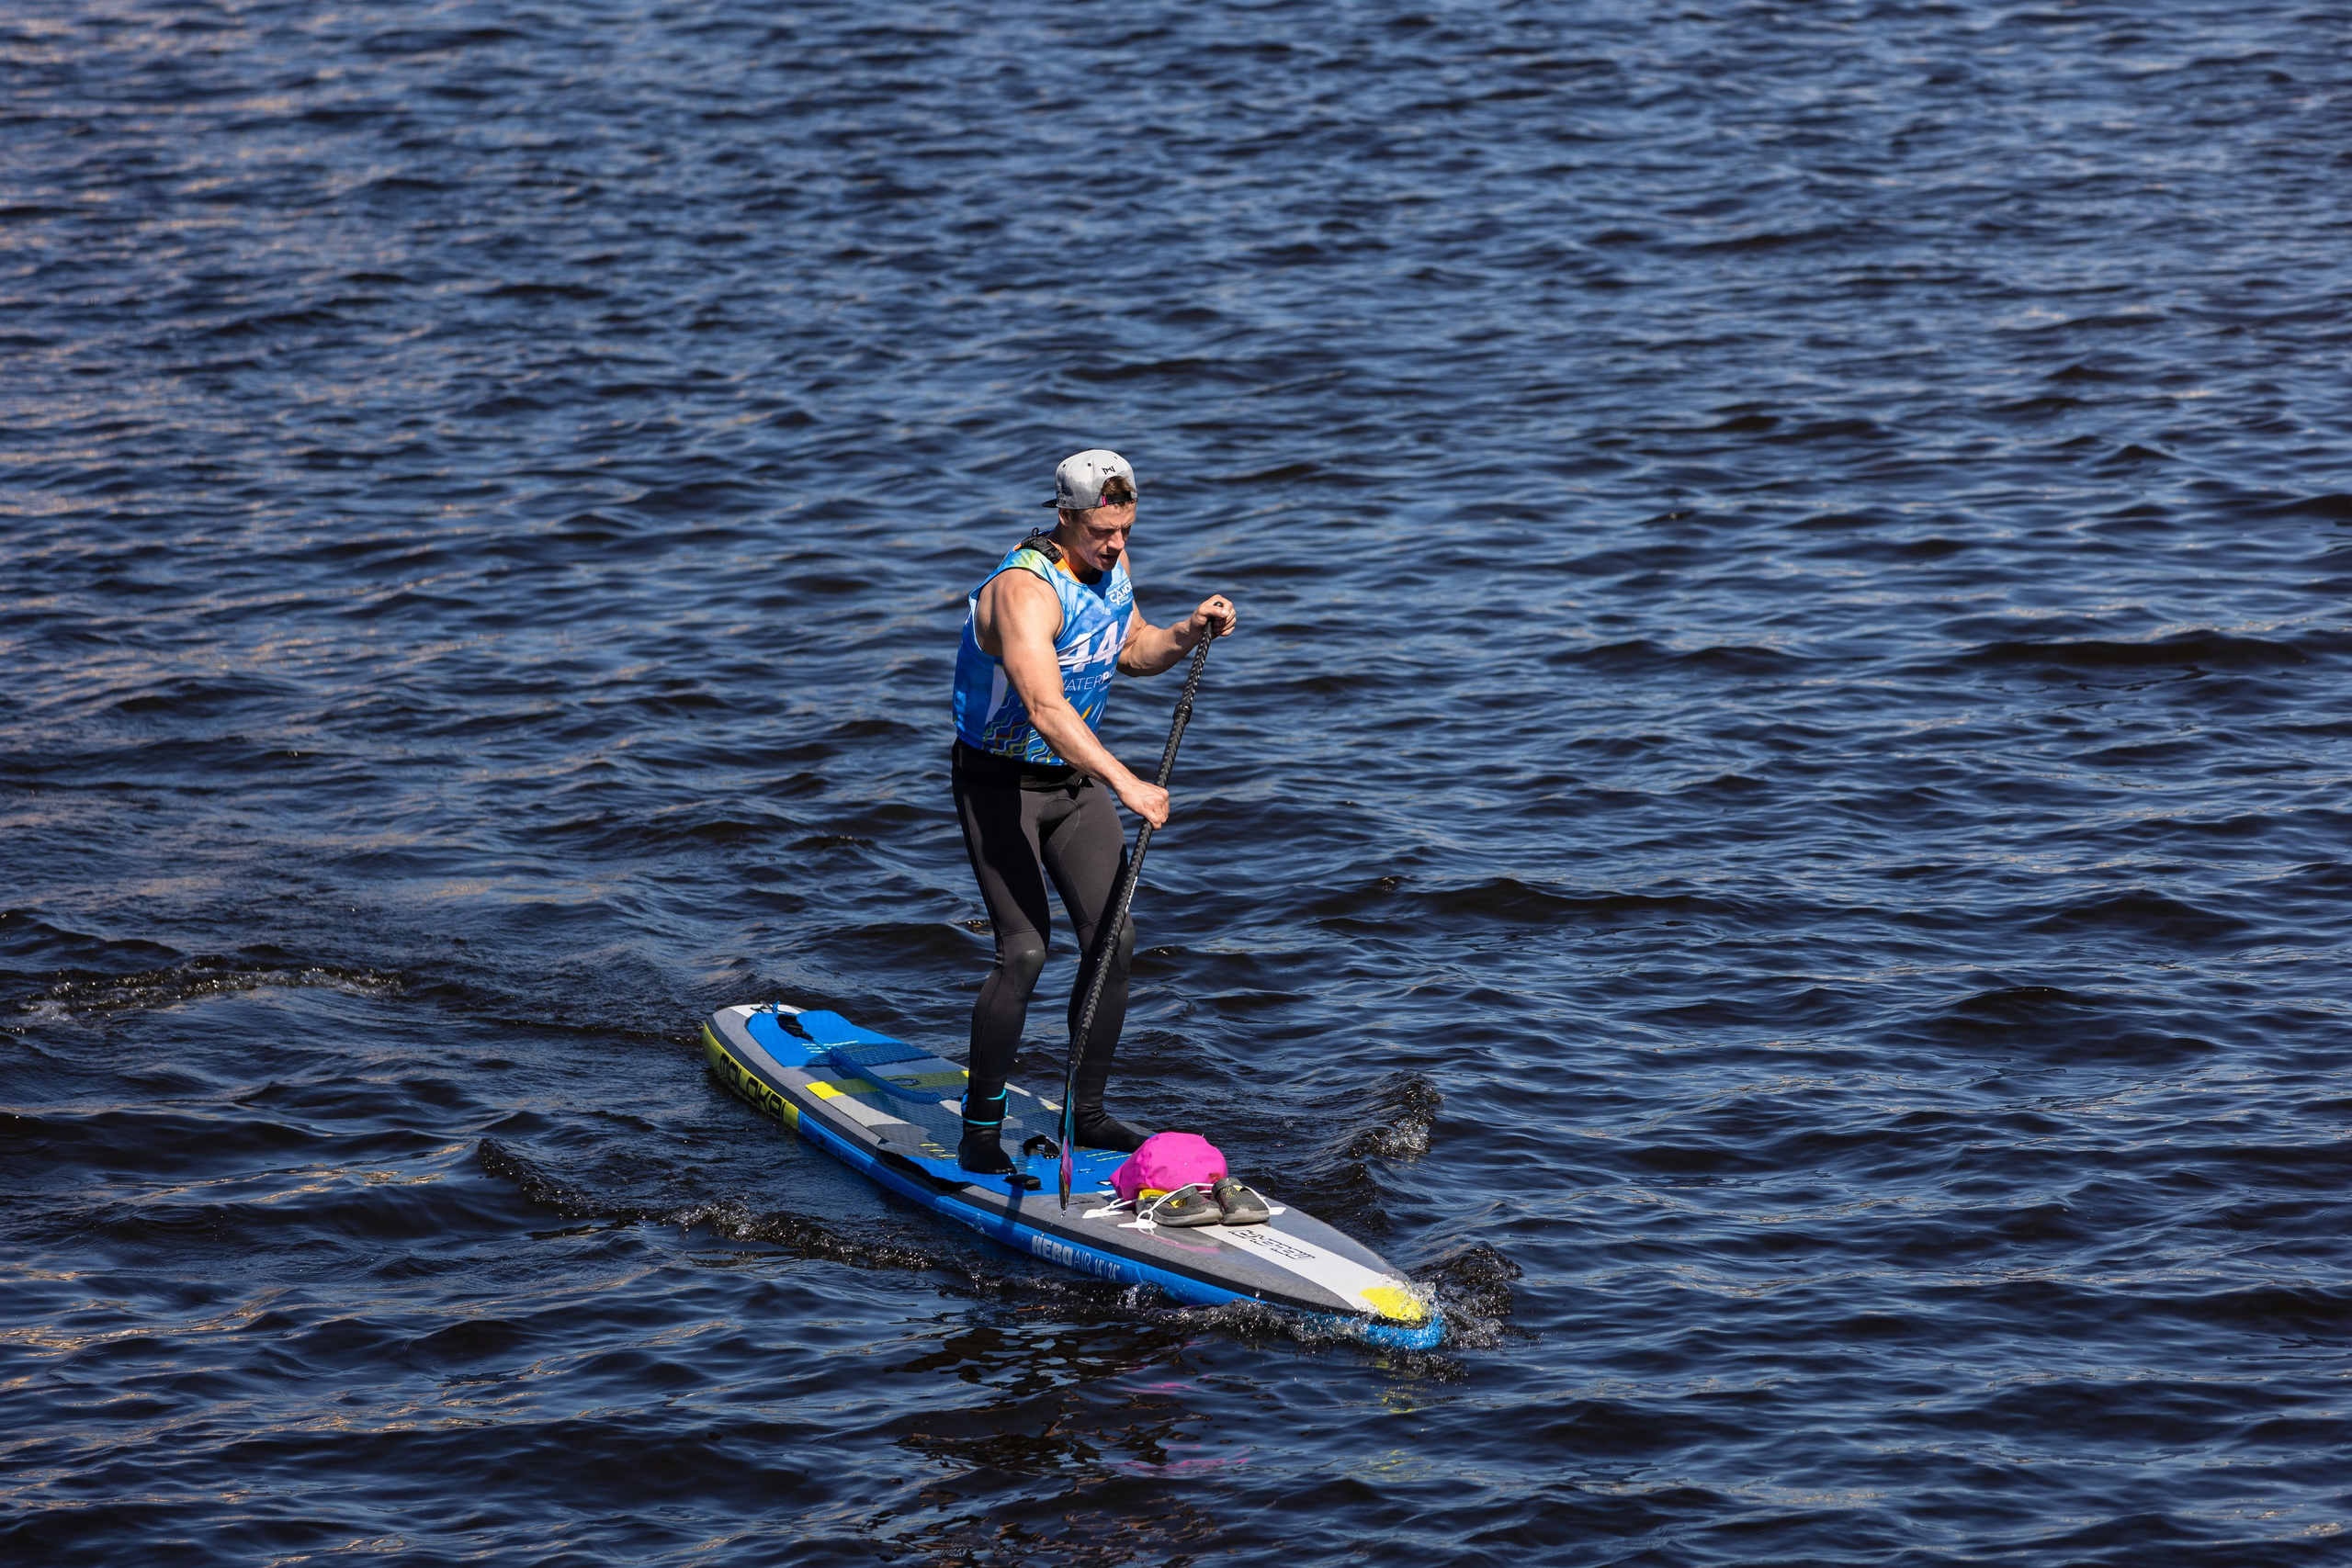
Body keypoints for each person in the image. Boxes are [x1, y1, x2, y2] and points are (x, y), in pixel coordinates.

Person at [948, 449, 1238, 1179]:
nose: (1116, 545)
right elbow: (1046, 707)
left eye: (1126, 529)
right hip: (999, 786)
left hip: (1070, 787)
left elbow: (1130, 650)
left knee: (1114, 938)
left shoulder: (1111, 568)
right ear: (1066, 516)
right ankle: (979, 1131)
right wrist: (1127, 783)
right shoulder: (1024, 591)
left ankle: (1087, 1111)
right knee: (1024, 951)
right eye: (1102, 532)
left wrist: (1187, 630)